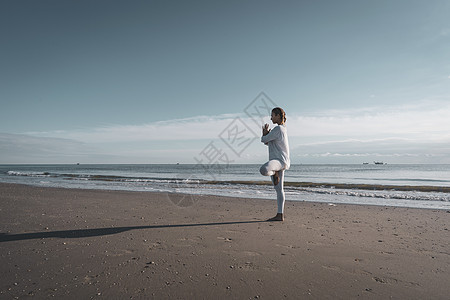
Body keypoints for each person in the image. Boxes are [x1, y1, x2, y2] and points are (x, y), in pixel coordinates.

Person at [260, 107, 290, 221]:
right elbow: (268, 142)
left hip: (278, 161)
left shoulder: (278, 129)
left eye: (272, 115)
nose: (271, 117)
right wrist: (266, 135)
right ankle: (280, 214)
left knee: (263, 170)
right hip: (281, 161)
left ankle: (275, 172)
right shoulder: (282, 129)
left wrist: (264, 134)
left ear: (278, 116)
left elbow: (263, 140)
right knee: (279, 189)